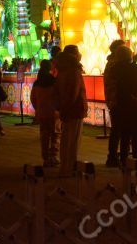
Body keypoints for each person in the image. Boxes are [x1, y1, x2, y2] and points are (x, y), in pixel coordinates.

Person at [54, 45, 87, 177]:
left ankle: (65, 166)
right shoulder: (74, 71)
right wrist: (67, 107)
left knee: (67, 139)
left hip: (67, 108)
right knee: (72, 140)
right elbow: (74, 92)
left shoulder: (62, 70)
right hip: (74, 109)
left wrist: (61, 107)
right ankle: (69, 167)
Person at [112, 46, 137, 164]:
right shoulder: (131, 67)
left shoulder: (116, 68)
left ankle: (124, 158)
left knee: (125, 134)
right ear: (128, 56)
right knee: (136, 133)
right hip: (134, 103)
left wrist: (135, 58)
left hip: (122, 103)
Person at [31, 59, 61, 167]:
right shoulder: (53, 81)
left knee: (44, 136)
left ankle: (45, 157)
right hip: (54, 113)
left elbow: (33, 98)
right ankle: (53, 156)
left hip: (42, 113)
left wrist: (38, 109)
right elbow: (58, 97)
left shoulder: (37, 83)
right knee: (55, 135)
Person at [103, 39, 125, 167]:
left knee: (117, 130)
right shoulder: (115, 64)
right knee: (118, 130)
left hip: (113, 100)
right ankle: (114, 156)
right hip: (117, 100)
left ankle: (113, 156)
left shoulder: (111, 63)